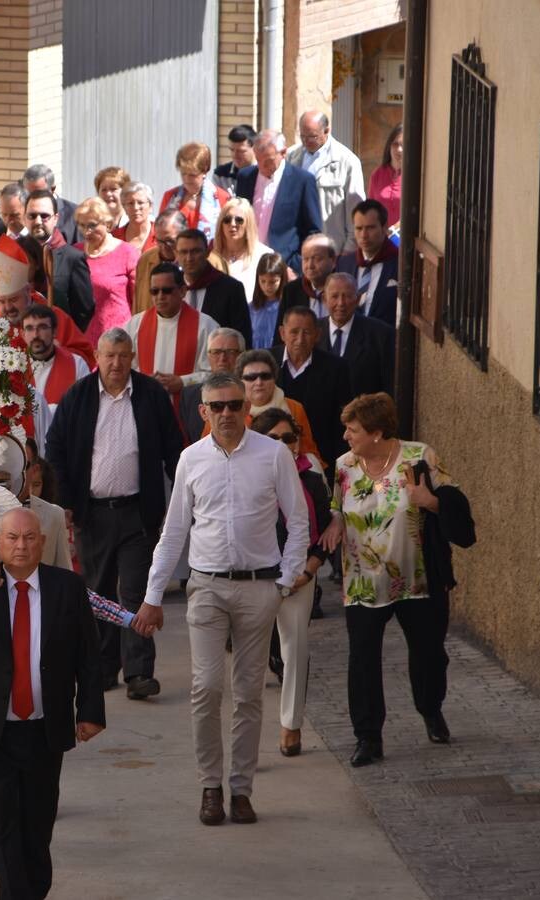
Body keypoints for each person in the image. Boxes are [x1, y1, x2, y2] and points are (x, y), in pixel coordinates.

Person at [133, 373, 309, 826]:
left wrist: (284, 583)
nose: (227, 413)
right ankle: (210, 786)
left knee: (249, 694)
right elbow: (173, 533)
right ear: (203, 411)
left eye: (235, 405)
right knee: (206, 688)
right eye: (219, 405)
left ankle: (242, 790)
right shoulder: (191, 459)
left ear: (245, 409)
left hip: (259, 587)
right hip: (207, 587)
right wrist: (153, 596)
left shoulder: (272, 455)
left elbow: (299, 521)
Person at [0, 508, 105, 900]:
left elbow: (88, 655)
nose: (21, 546)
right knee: (0, 826)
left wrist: (91, 712)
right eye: (12, 538)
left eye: (29, 538)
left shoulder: (66, 587)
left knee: (36, 828)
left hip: (44, 728)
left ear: (43, 543)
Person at [318, 393, 474, 767]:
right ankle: (368, 737)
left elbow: (455, 505)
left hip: (418, 579)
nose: (345, 436)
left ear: (376, 432)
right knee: (363, 661)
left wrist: (430, 501)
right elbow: (337, 507)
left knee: (429, 655)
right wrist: (336, 523)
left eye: (352, 430)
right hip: (363, 581)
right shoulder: (344, 466)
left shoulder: (419, 458)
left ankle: (430, 708)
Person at [46, 329, 183, 699]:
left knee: (136, 591)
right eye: (110, 356)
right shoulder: (78, 396)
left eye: (124, 356)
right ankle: (104, 667)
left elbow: (174, 448)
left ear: (133, 356)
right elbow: (55, 448)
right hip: (93, 514)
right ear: (97, 355)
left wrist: (187, 495)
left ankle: (139, 672)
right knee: (99, 592)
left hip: (138, 512)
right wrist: (66, 501)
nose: (117, 363)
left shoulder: (151, 395)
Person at [250, 408, 331, 757]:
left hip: (300, 577)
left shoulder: (311, 480)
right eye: (274, 439)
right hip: (256, 579)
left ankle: (290, 725)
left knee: (294, 651)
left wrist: (308, 571)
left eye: (289, 438)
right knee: (249, 660)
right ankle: (248, 733)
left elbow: (323, 535)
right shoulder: (248, 479)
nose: (283, 445)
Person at [0, 236, 95, 366]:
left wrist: (58, 353)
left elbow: (85, 355)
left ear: (28, 291)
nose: (8, 307)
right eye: (2, 301)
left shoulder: (53, 316)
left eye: (14, 299)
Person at [275, 306, 353, 474]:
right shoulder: (267, 362)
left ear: (317, 334)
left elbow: (343, 419)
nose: (300, 339)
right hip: (272, 457)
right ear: (282, 333)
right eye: (294, 332)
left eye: (307, 333)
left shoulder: (336, 368)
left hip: (320, 460)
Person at [124, 262, 218, 401]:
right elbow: (126, 367)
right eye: (154, 291)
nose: (160, 296)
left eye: (167, 290)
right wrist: (144, 380)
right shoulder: (135, 324)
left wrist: (183, 382)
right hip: (146, 404)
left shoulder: (205, 325)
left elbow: (215, 372)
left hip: (189, 407)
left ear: (183, 291)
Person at [235, 129, 322, 274]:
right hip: (248, 265)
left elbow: (313, 231)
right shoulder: (246, 177)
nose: (262, 167)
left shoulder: (302, 181)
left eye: (268, 161)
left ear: (283, 153)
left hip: (285, 267)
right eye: (258, 160)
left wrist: (298, 264)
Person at [286, 111, 365, 254]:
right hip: (296, 248)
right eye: (303, 136)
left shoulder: (347, 161)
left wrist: (349, 249)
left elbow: (356, 208)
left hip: (332, 249)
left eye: (312, 136)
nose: (306, 141)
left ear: (327, 130)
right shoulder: (291, 157)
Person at [19, 189, 95, 334]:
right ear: (24, 218)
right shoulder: (13, 252)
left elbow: (84, 310)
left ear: (56, 218)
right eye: (32, 216)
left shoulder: (72, 258)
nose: (38, 221)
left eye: (44, 216)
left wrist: (63, 335)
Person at [233, 349, 323, 469]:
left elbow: (308, 451)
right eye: (251, 377)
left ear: (274, 378)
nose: (259, 382)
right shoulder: (230, 409)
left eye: (265, 376)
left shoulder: (294, 407)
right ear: (240, 382)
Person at [74, 196, 140, 344]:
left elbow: (138, 301)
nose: (86, 232)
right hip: (84, 340)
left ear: (108, 224)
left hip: (118, 339)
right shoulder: (75, 253)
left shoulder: (127, 253)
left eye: (92, 225)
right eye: (82, 225)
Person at [319, 272, 395, 398]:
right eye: (334, 296)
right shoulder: (312, 331)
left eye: (347, 296)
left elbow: (389, 387)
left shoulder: (381, 335)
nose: (341, 303)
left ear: (358, 299)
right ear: (324, 299)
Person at [175, 228, 253, 349]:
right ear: (176, 254)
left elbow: (242, 339)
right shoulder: (171, 288)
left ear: (207, 252)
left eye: (195, 251)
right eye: (184, 252)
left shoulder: (231, 289)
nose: (189, 258)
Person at [336, 198, 399, 328]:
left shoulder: (399, 264)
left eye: (370, 228)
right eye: (359, 228)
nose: (364, 235)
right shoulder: (344, 264)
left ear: (384, 227)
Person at [178, 328, 245, 446]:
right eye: (216, 352)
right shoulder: (189, 396)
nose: (223, 358)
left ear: (242, 355)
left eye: (230, 352)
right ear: (208, 356)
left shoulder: (252, 392)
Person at [160, 142, 231, 243]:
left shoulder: (222, 198)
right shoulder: (170, 197)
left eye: (192, 175)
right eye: (183, 173)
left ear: (204, 171)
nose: (186, 179)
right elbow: (159, 233)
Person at [23, 305, 89, 411]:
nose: (35, 335)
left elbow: (85, 407)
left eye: (43, 327)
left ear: (54, 332)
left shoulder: (77, 364)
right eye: (29, 328)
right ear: (23, 334)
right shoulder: (14, 366)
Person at [211, 197, 273, 301]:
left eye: (239, 220)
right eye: (227, 220)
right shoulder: (211, 256)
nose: (233, 224)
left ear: (248, 223)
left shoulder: (264, 256)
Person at [278, 233, 339, 321]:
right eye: (305, 259)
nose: (310, 265)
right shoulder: (291, 291)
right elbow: (281, 330)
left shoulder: (344, 287)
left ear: (333, 260)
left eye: (317, 259)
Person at [132, 211, 184, 314]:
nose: (164, 247)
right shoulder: (146, 260)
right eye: (159, 241)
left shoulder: (195, 261)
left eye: (170, 241)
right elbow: (138, 303)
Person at [22, 163, 80, 245]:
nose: (34, 198)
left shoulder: (75, 214)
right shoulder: (18, 213)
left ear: (52, 189)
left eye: (40, 193)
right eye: (29, 193)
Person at [249, 252, 287, 351]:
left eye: (273, 282)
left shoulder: (287, 306)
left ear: (282, 279)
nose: (267, 286)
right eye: (263, 281)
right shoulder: (251, 308)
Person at [369, 124, 404, 226]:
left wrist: (395, 230)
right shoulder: (377, 175)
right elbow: (371, 210)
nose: (399, 150)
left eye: (403, 144)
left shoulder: (415, 177)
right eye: (395, 144)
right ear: (389, 146)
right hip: (381, 238)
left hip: (405, 238)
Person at [212, 124, 257, 195]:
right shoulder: (220, 175)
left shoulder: (263, 174)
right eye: (232, 150)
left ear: (255, 148)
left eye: (241, 151)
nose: (235, 155)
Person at [0, 182, 27, 248]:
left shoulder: (38, 237)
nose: (8, 220)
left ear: (27, 210)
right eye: (4, 214)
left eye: (14, 215)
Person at [114, 182, 156, 252]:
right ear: (124, 207)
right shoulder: (114, 238)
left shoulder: (160, 236)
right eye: (130, 203)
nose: (135, 208)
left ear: (150, 206)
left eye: (140, 202)